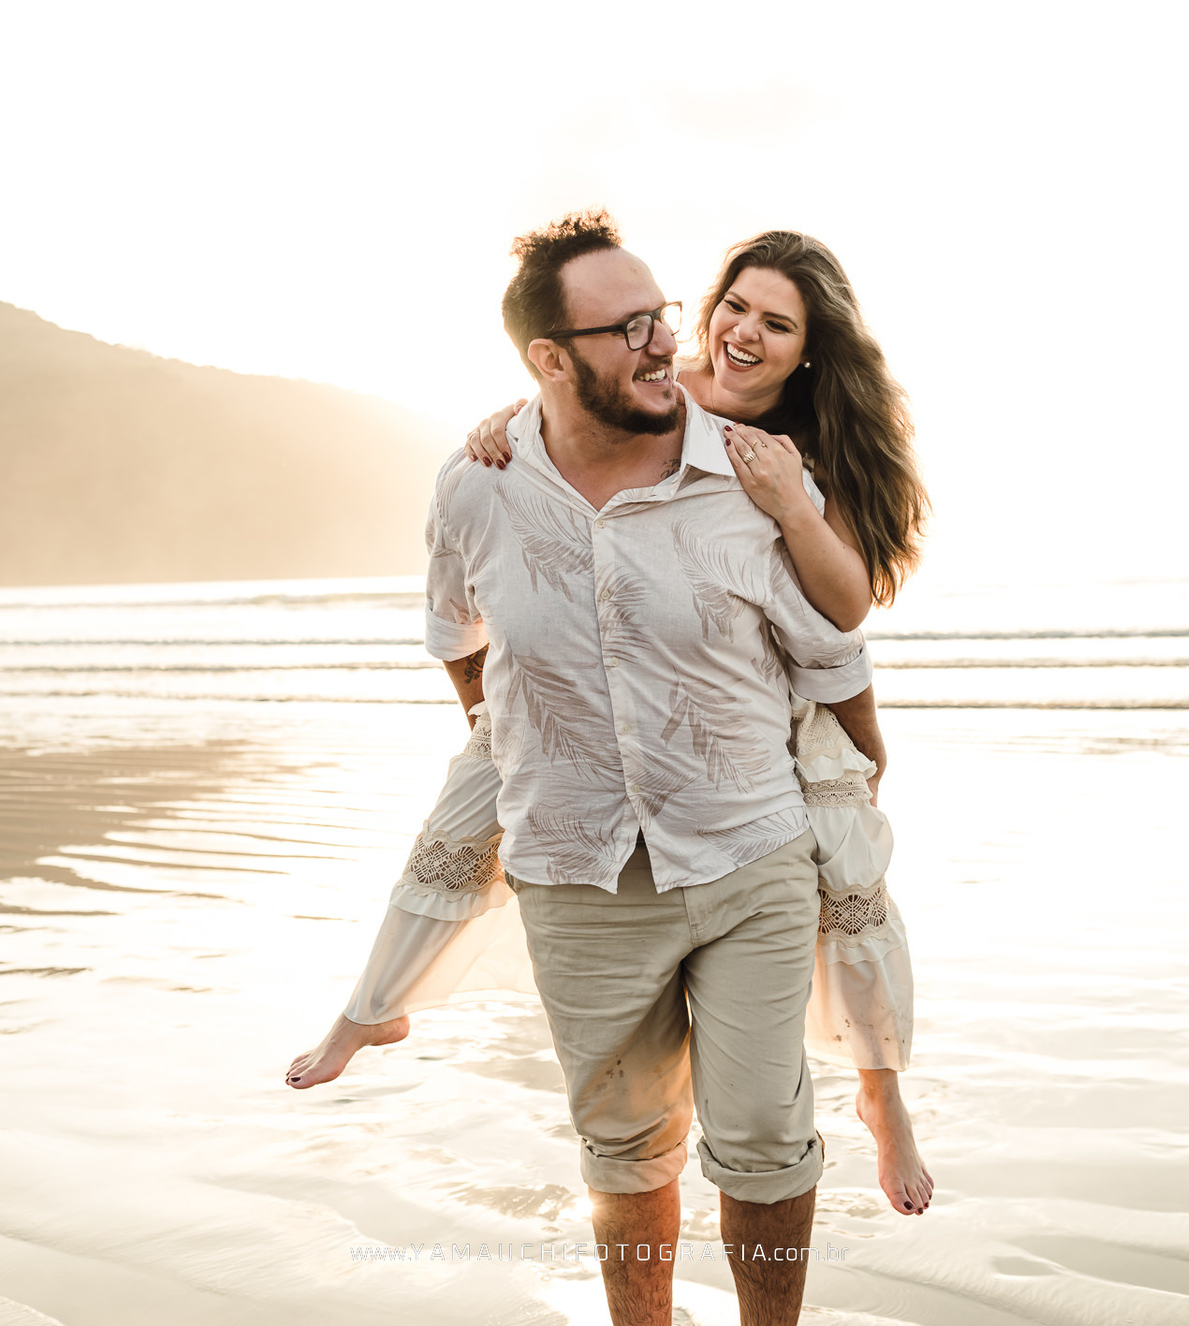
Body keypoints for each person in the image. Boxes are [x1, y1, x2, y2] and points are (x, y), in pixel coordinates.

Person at [288, 211, 899, 1326]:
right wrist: (519, 749)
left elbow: (833, 633)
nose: (667, 342)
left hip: (747, 855)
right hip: (573, 874)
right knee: (622, 1151)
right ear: (550, 358)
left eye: (662, 314)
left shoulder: (753, 476)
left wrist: (867, 750)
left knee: (765, 1141)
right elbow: (455, 637)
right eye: (627, 329)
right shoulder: (476, 483)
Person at [453, 229, 933, 1220]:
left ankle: (885, 1101)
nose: (744, 335)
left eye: (778, 324)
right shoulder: (663, 386)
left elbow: (841, 620)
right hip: (673, 725)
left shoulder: (796, 451)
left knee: (856, 904)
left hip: (784, 708)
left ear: (810, 350)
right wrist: (502, 421)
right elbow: (573, 403)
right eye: (735, 308)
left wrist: (787, 505)